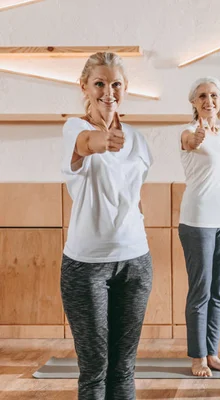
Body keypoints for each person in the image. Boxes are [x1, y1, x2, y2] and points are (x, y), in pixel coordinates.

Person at [61, 52, 153, 399]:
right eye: (99, 83)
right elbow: (87, 145)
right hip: (86, 266)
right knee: (95, 368)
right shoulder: (75, 127)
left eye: (116, 84)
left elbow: (135, 194)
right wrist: (104, 141)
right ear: (84, 86)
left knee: (124, 368)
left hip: (136, 261)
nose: (108, 92)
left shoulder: (138, 138)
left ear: (125, 88)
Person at [178, 77, 220, 377]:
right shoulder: (189, 133)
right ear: (194, 101)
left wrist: (210, 135)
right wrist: (197, 139)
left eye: (214, 95)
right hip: (199, 221)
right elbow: (190, 142)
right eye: (202, 95)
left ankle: (213, 353)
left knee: (219, 292)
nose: (209, 100)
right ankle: (197, 357)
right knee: (200, 291)